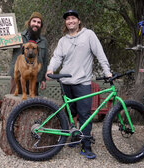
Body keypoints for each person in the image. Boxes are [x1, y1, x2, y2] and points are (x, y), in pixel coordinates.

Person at [46, 10, 112, 159]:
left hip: (83, 82)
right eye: (68, 19)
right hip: (66, 82)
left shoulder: (89, 35)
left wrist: (107, 71)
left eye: (73, 18)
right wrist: (50, 68)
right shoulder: (63, 41)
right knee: (72, 113)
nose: (70, 21)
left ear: (79, 21)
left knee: (85, 115)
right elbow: (57, 57)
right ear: (65, 22)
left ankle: (86, 146)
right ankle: (75, 137)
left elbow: (100, 54)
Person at [0, 12, 48, 95]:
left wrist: (43, 80)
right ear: (29, 22)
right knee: (15, 103)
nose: (36, 24)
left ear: (41, 25)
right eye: (34, 21)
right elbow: (2, 44)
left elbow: (44, 61)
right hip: (18, 76)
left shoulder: (43, 41)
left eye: (39, 22)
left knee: (32, 105)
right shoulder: (17, 36)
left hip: (34, 77)